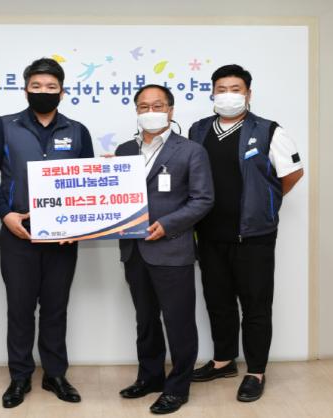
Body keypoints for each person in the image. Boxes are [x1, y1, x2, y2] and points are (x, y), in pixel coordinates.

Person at [0, 57, 94, 408]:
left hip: (63, 237)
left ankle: (55, 374)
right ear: (26, 89)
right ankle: (20, 377)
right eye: (37, 86)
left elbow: (88, 181)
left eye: (51, 87)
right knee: (20, 308)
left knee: (56, 308)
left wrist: (79, 225)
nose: (44, 91)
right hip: (19, 233)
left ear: (62, 91)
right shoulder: (4, 126)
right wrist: (5, 215)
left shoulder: (77, 130)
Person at [189, 64, 304, 402]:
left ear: (249, 94)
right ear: (212, 93)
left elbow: (292, 174)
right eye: (221, 89)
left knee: (255, 306)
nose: (228, 95)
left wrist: (266, 201)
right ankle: (223, 361)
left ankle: (255, 371)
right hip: (209, 234)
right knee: (218, 302)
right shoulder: (198, 130)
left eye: (235, 89)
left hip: (254, 236)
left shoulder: (269, 130)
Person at [114, 84, 214, 414]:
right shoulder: (125, 150)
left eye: (157, 105)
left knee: (178, 322)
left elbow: (203, 199)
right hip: (134, 251)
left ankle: (178, 387)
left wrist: (168, 224)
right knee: (145, 321)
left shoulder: (191, 151)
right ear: (136, 111)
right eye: (143, 106)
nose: (150, 112)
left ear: (170, 110)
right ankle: (150, 377)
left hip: (172, 249)